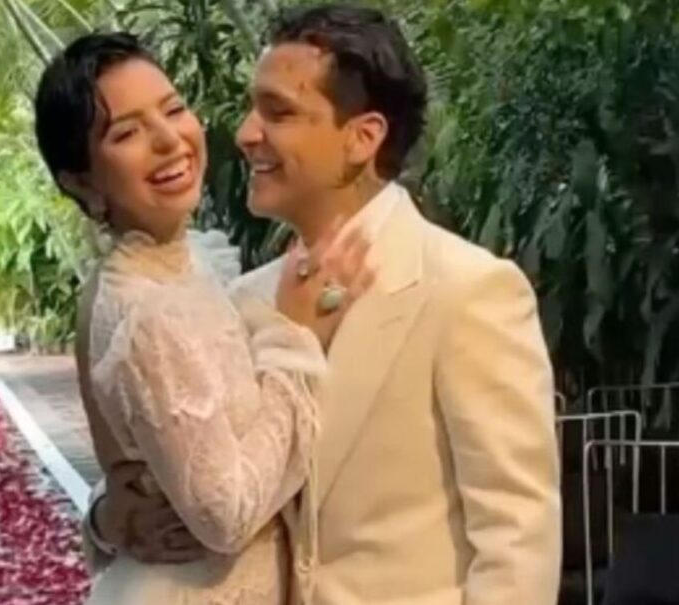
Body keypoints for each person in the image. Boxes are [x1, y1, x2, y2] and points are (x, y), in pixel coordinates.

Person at [87, 5, 563, 605]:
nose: (246, 134)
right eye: (253, 108)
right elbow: (193, 475)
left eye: (278, 112)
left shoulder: (467, 291)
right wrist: (107, 519)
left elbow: (517, 543)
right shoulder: (245, 299)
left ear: (363, 137)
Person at [33, 32, 372, 605]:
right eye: (127, 133)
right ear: (81, 180)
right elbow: (226, 516)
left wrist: (107, 518)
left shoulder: (195, 265)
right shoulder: (143, 312)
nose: (170, 140)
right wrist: (295, 338)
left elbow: (150, 467)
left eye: (172, 110)